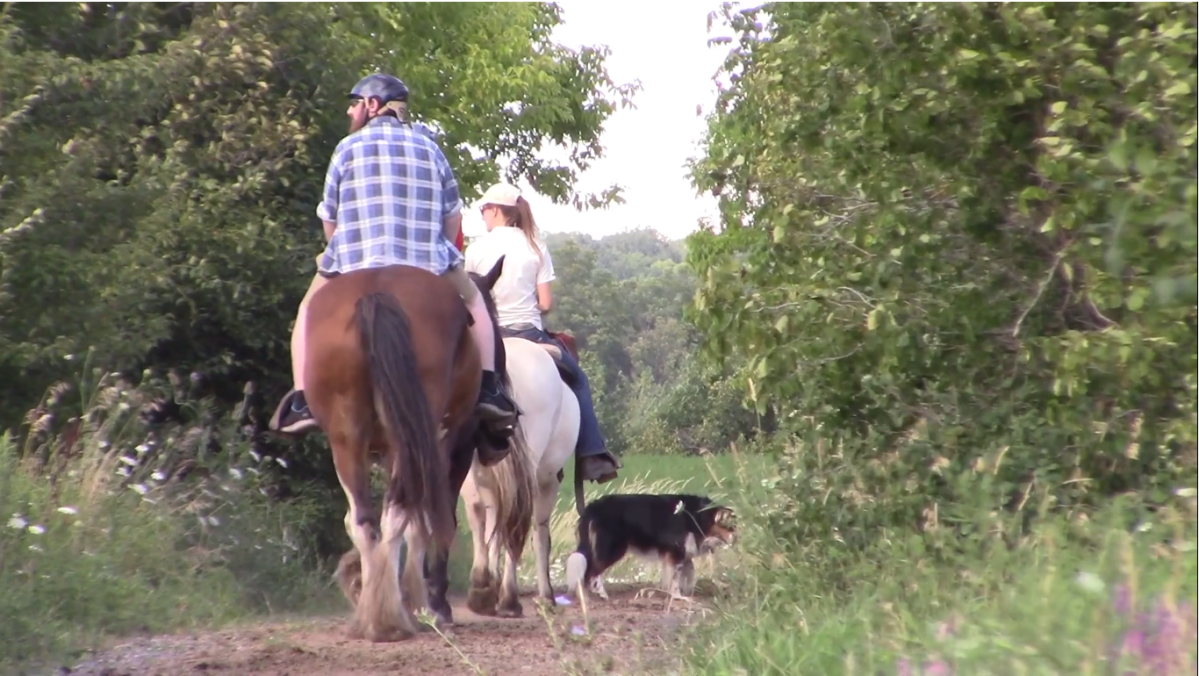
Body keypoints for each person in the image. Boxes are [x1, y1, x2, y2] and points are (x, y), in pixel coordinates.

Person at [269, 73, 518, 437]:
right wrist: (441, 252)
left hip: (353, 258)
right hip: (424, 258)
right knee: (475, 303)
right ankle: (489, 389)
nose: (350, 110)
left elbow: (330, 219)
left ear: (372, 105)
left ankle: (303, 400)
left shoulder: (345, 148)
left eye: (355, 102)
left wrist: (338, 248)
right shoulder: (430, 148)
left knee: (307, 311)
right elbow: (452, 217)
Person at [463, 182, 622, 484]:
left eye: (484, 210)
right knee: (578, 379)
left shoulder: (475, 249)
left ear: (495, 210)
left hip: (487, 338)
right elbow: (546, 303)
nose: (483, 215)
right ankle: (593, 453)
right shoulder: (535, 246)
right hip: (529, 334)